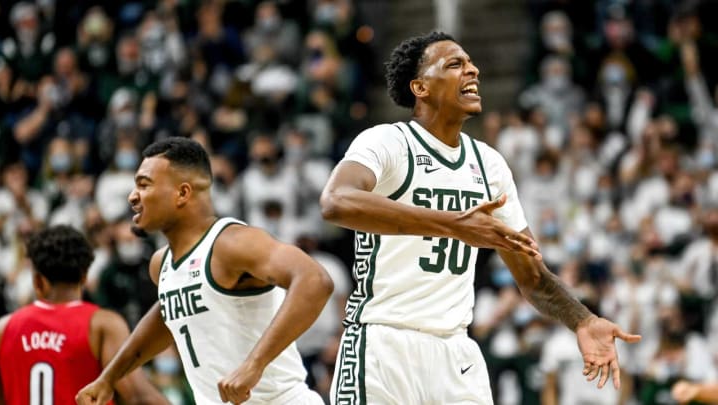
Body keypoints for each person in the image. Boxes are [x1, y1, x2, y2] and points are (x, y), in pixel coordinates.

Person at [320, 31, 642, 404]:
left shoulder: (489, 164)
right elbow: (335, 201)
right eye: (455, 64)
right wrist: (453, 224)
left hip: (456, 350)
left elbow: (532, 276)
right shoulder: (386, 142)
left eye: (471, 63)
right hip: (382, 342)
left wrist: (583, 320)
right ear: (420, 87)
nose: (472, 70)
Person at [76, 137, 333, 405]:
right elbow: (168, 313)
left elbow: (314, 280)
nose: (132, 196)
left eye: (144, 184)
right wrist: (109, 377)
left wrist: (254, 364)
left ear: (183, 193)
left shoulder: (232, 242)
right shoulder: (160, 264)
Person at [0, 225, 169, 405]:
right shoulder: (101, 324)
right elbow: (138, 396)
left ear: (37, 281)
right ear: (85, 276)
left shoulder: (3, 328)